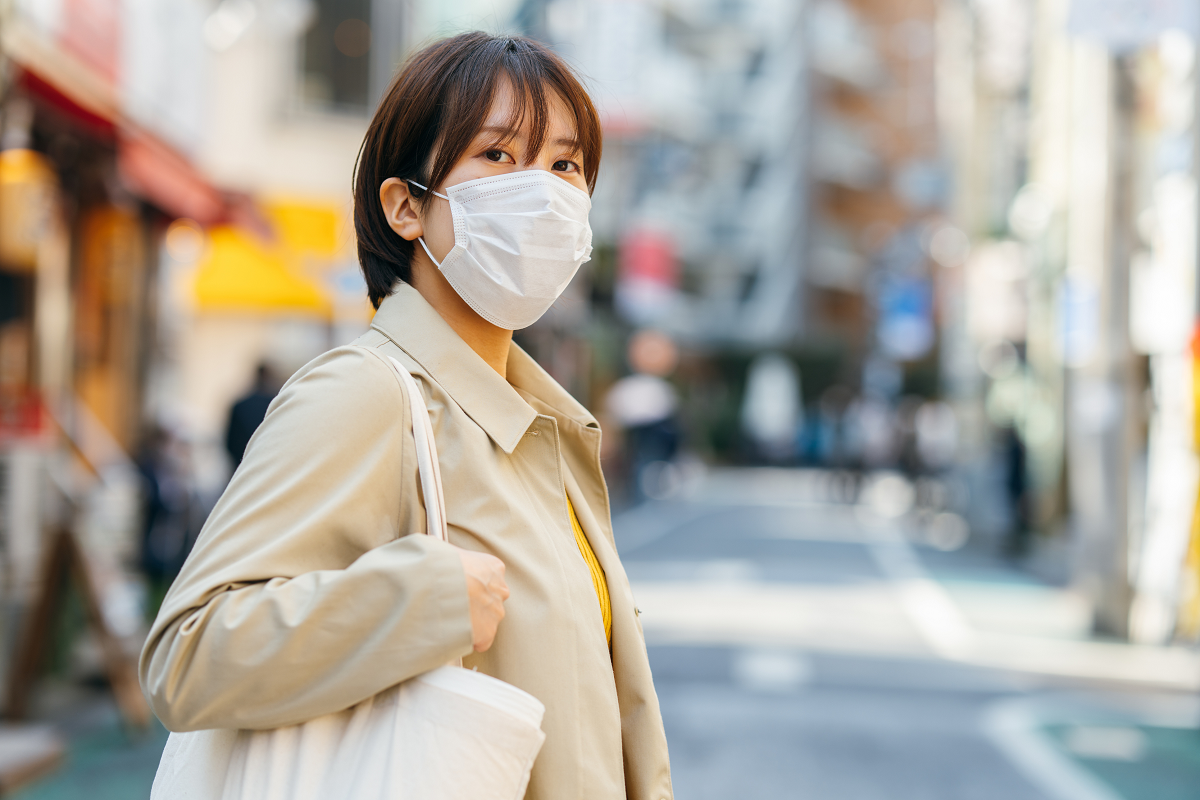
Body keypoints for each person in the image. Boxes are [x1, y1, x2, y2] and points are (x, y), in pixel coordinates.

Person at [139, 33, 673, 800]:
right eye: (498, 155)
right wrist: (414, 602)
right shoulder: (369, 394)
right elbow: (185, 658)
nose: (544, 192)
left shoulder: (542, 427)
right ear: (405, 206)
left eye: (565, 165)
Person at [223, 362, 277, 468]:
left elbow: (230, 442)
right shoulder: (275, 404)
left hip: (243, 464)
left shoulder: (239, 405)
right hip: (268, 464)